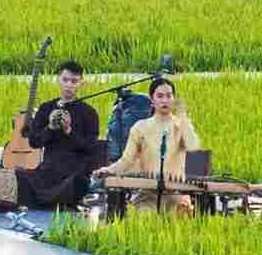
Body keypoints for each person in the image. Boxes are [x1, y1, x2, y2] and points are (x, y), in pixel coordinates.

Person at [89, 77, 202, 213]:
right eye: (160, 96)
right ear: (152, 100)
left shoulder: (180, 125)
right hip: (148, 194)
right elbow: (126, 161)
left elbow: (193, 146)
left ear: (173, 98)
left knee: (180, 217)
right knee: (143, 218)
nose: (165, 100)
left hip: (176, 194)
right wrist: (108, 170)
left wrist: (183, 117)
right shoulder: (140, 127)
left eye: (169, 96)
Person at [15, 60, 101, 209]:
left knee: (78, 184)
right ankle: (50, 202)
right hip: (48, 170)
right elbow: (34, 142)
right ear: (58, 80)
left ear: (81, 83)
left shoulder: (89, 112)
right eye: (65, 80)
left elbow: (91, 148)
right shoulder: (46, 108)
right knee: (18, 177)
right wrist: (50, 127)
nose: (69, 85)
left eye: (74, 81)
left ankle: (50, 202)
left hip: (73, 173)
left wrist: (69, 131)